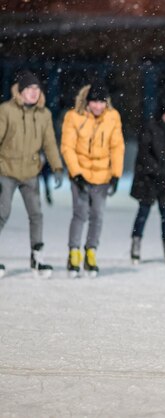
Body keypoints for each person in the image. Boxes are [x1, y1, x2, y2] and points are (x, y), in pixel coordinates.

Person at [0, 70, 64, 278]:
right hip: (6, 170)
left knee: (36, 214)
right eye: (29, 89)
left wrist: (57, 167)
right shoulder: (6, 111)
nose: (34, 92)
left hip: (30, 172)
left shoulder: (43, 114)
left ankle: (37, 258)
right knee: (2, 212)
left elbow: (49, 143)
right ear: (20, 91)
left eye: (37, 89)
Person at [61, 80, 125, 278]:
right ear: (87, 102)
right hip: (79, 175)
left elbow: (117, 146)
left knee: (97, 215)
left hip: (102, 176)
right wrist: (76, 172)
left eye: (101, 102)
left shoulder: (113, 117)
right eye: (94, 102)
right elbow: (67, 146)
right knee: (80, 214)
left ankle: (91, 253)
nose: (98, 106)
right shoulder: (73, 117)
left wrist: (116, 174)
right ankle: (74, 253)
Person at [130, 98, 165, 265]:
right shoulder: (151, 128)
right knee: (143, 212)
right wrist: (156, 171)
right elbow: (143, 154)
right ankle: (136, 244)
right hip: (149, 179)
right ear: (163, 114)